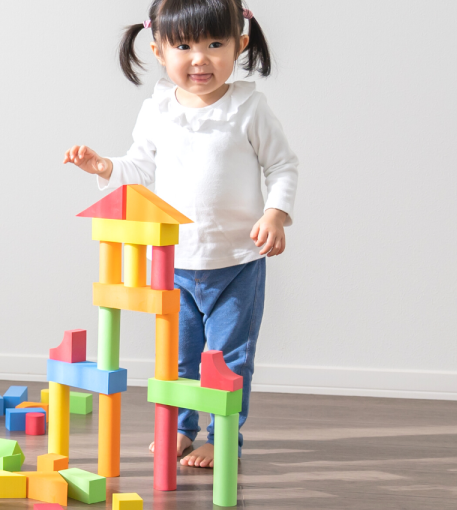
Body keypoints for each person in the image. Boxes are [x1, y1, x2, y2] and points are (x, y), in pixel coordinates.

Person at [63, 0, 298, 468]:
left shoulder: (248, 107)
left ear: (241, 45)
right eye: (184, 46)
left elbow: (282, 165)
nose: (200, 58)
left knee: (227, 359)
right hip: (174, 262)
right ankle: (182, 429)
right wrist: (105, 166)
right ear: (158, 50)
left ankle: (222, 435)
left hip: (237, 260)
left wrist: (275, 214)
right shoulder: (157, 111)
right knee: (178, 358)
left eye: (215, 44)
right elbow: (140, 168)